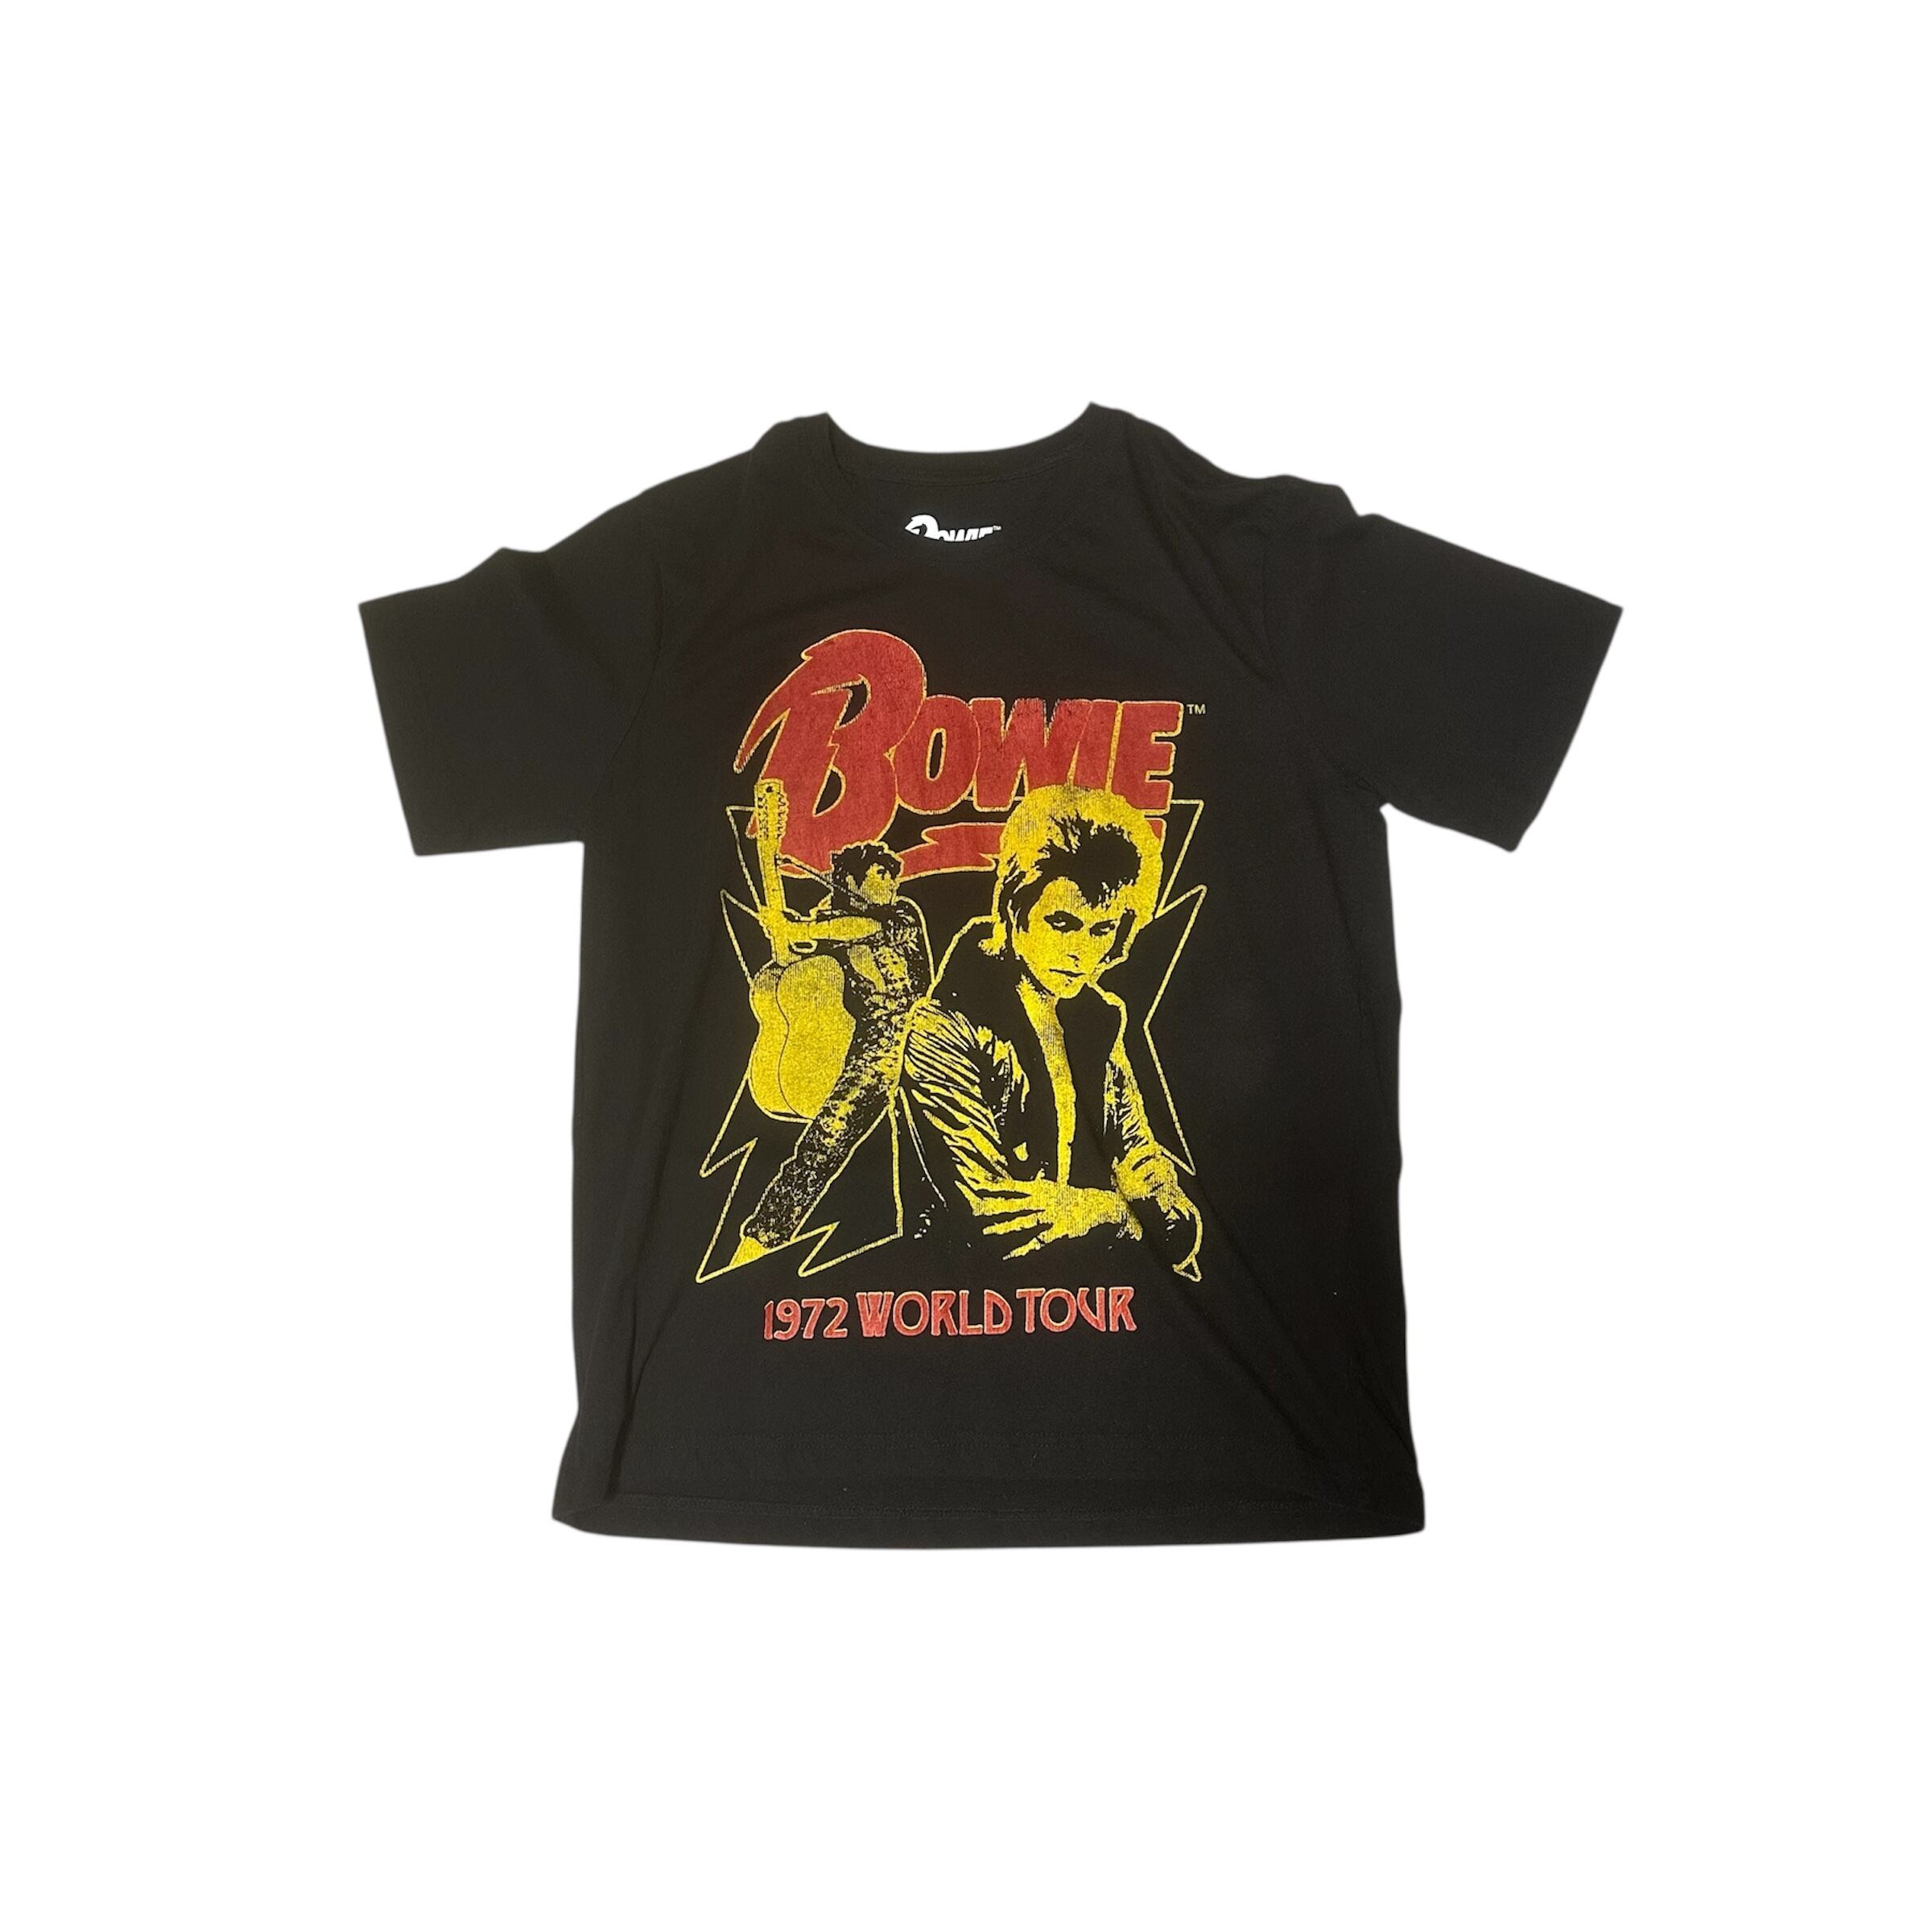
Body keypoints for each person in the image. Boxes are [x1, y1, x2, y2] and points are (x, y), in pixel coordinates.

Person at [901, 784, 1201, 1273]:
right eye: (1062, 922)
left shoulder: (1098, 1022)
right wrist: (1120, 1212)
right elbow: (991, 1220)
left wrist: (1141, 1204)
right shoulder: (942, 1028)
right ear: (1014, 910)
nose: (1081, 952)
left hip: (1085, 1295)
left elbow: (1170, 1214)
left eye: (1102, 929)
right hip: (954, 1298)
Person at [731, 842, 931, 1263]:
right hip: (876, 1052)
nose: (892, 883)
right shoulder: (827, 922)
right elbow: (805, 970)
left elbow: (865, 929)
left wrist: (802, 930)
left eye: (893, 875)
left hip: (925, 1042)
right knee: (823, 1142)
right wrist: (784, 932)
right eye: (880, 874)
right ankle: (760, 1241)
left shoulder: (902, 915)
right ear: (851, 881)